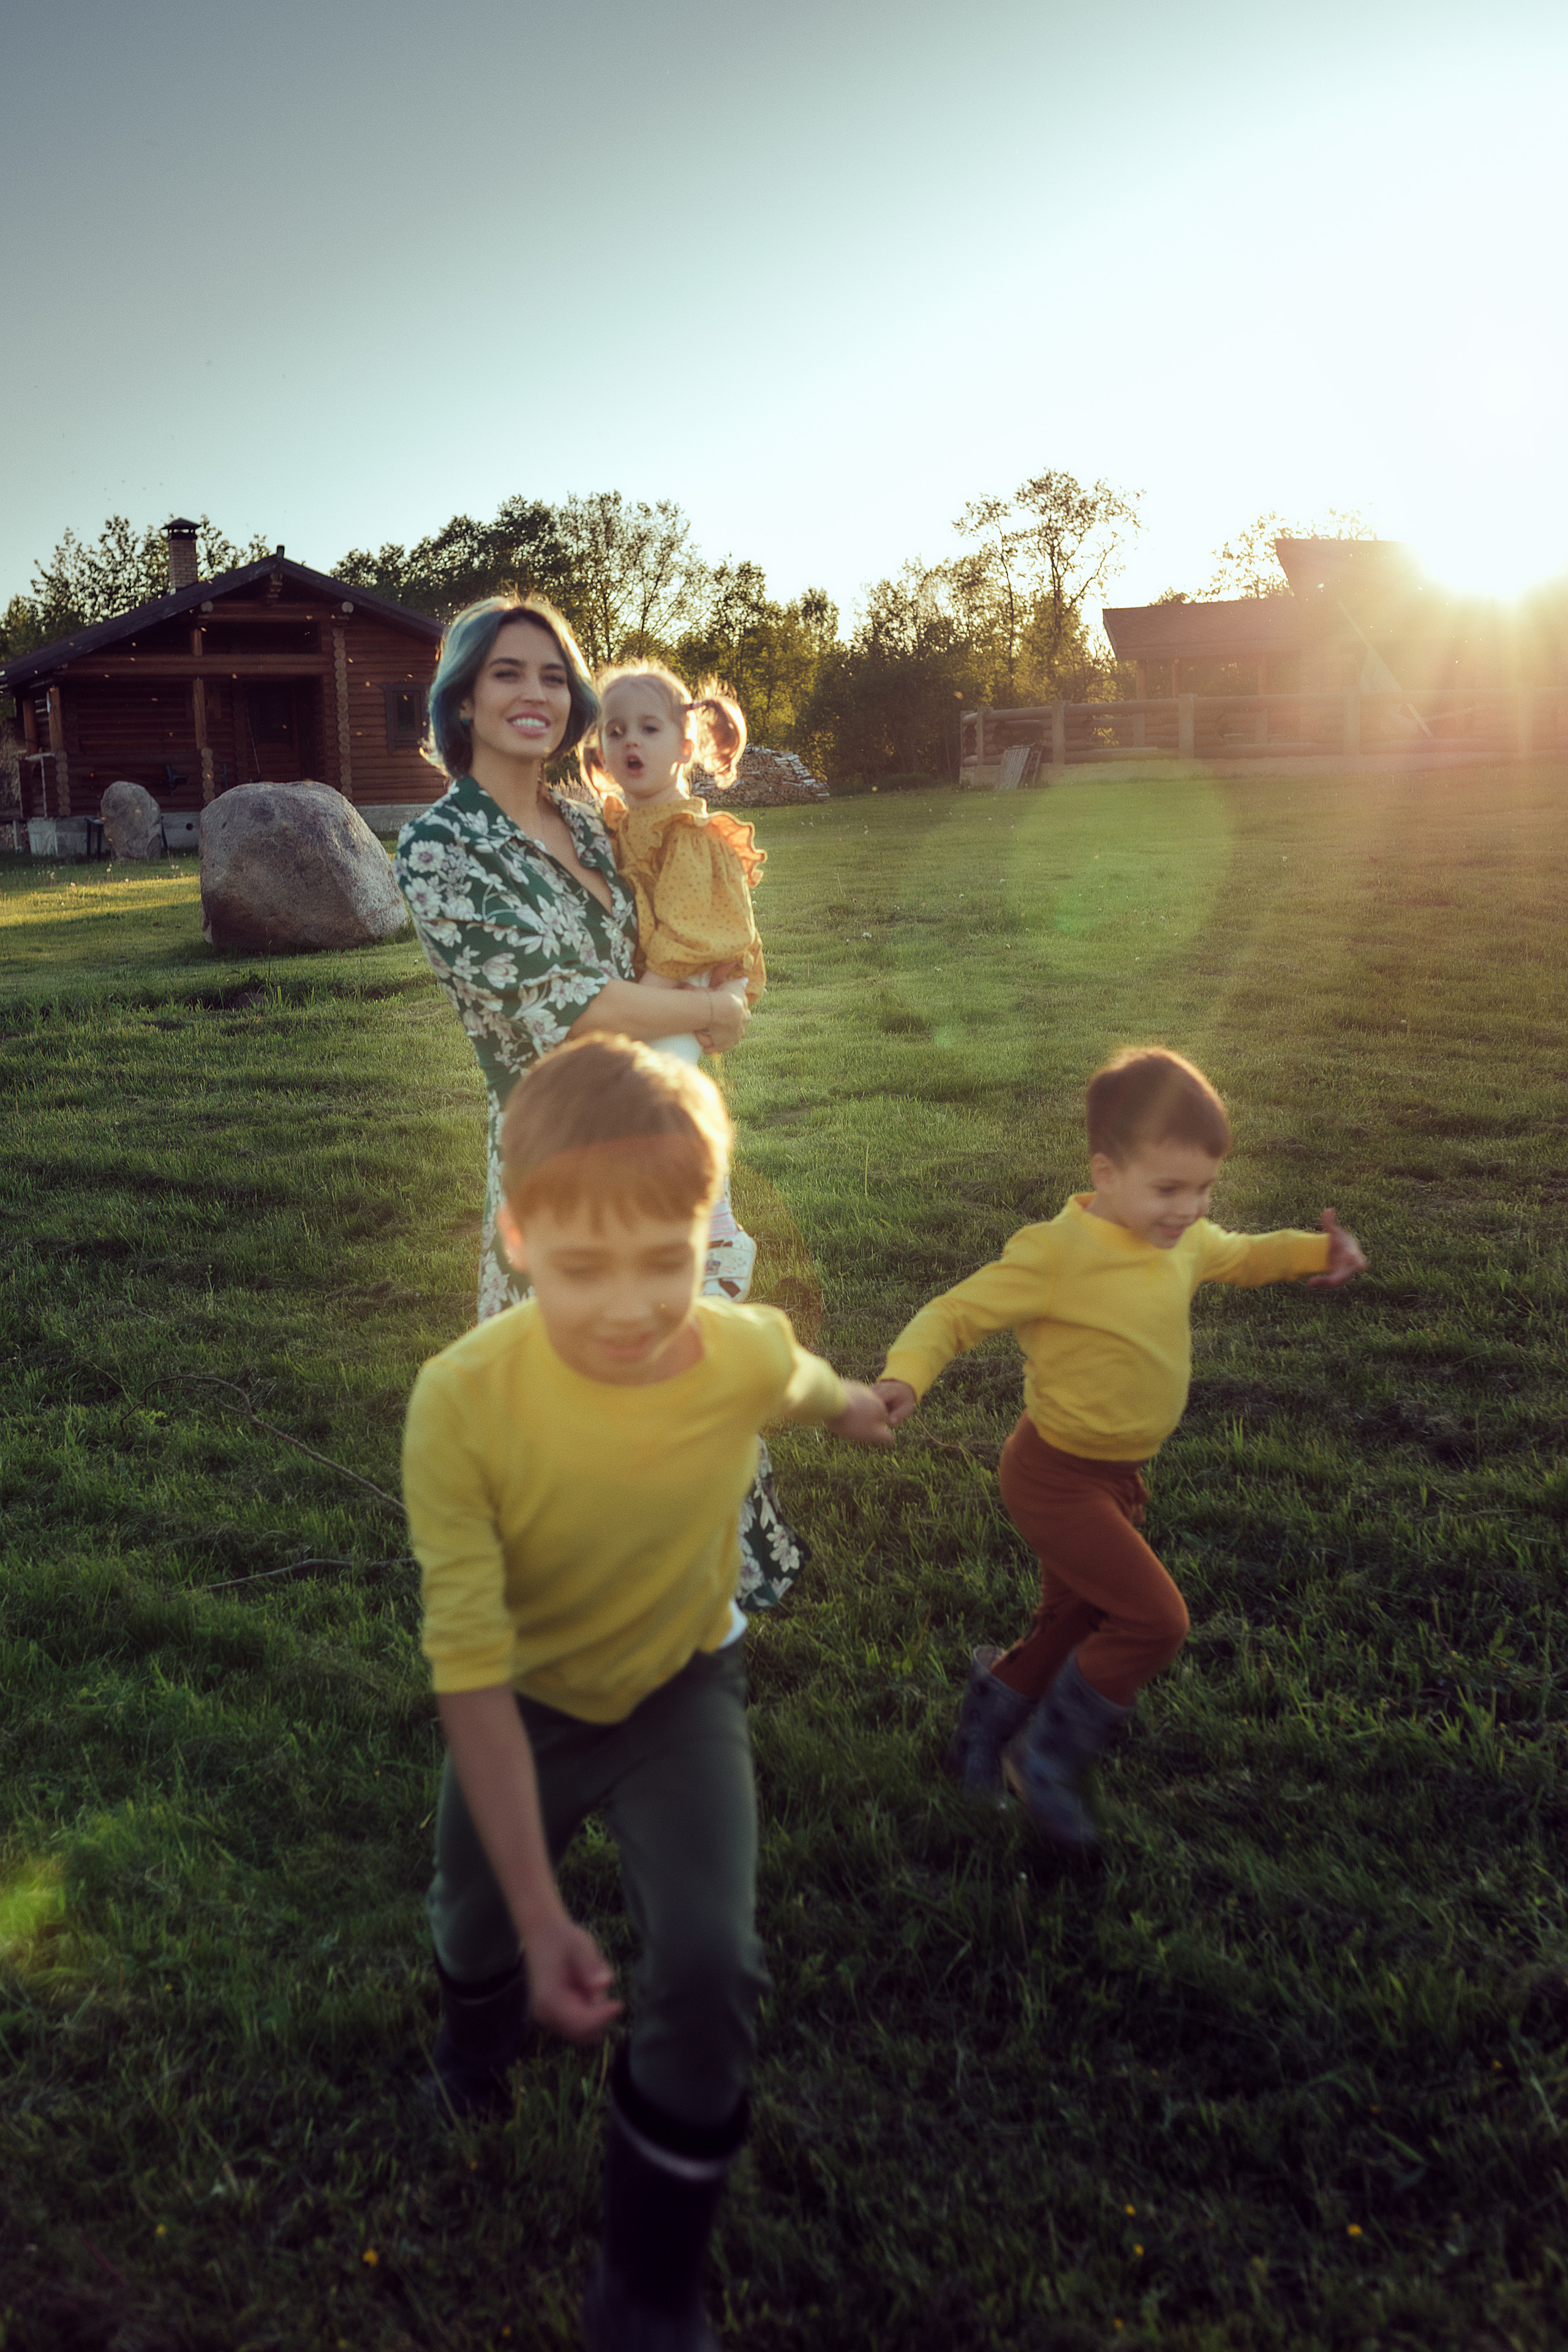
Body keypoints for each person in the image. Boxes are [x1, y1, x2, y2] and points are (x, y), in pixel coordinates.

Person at [402, 1035, 894, 2349]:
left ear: (706, 1238)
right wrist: (540, 1904)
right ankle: (472, 2045)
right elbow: (467, 1671)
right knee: (474, 1926)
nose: (628, 1306)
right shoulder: (460, 1404)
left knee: (711, 1960)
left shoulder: (735, 1349)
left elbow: (796, 1383)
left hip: (684, 1694)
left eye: (664, 1264)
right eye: (580, 1269)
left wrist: (852, 1407)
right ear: (514, 1238)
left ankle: (649, 2284)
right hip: (523, 1706)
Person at [393, 597, 804, 1608]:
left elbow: (679, 931)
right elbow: (559, 1005)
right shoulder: (442, 846)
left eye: (549, 676)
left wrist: (723, 988)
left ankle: (714, 1573)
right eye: (506, 674)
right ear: (462, 698)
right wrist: (704, 1013)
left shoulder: (591, 820)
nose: (533, 694)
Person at [873, 1047, 1367, 1852]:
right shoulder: (1056, 1254)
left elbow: (1241, 1254)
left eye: (1205, 1188)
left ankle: (977, 1739)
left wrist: (1317, 1251)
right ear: (1104, 1172)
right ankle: (1048, 1762)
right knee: (1152, 1620)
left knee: (1070, 1624)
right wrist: (906, 1377)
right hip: (1053, 1477)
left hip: (1115, 1477)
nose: (1189, 1209)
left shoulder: (1185, 1240)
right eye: (1168, 1189)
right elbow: (954, 1314)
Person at [582, 661, 766, 1303]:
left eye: (649, 729)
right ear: (598, 748)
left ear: (685, 745)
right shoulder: (616, 824)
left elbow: (690, 933)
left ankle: (720, 1235)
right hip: (655, 989)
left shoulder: (686, 831)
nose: (631, 742)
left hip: (688, 983)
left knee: (669, 1093)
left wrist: (640, 1007)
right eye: (616, 730)